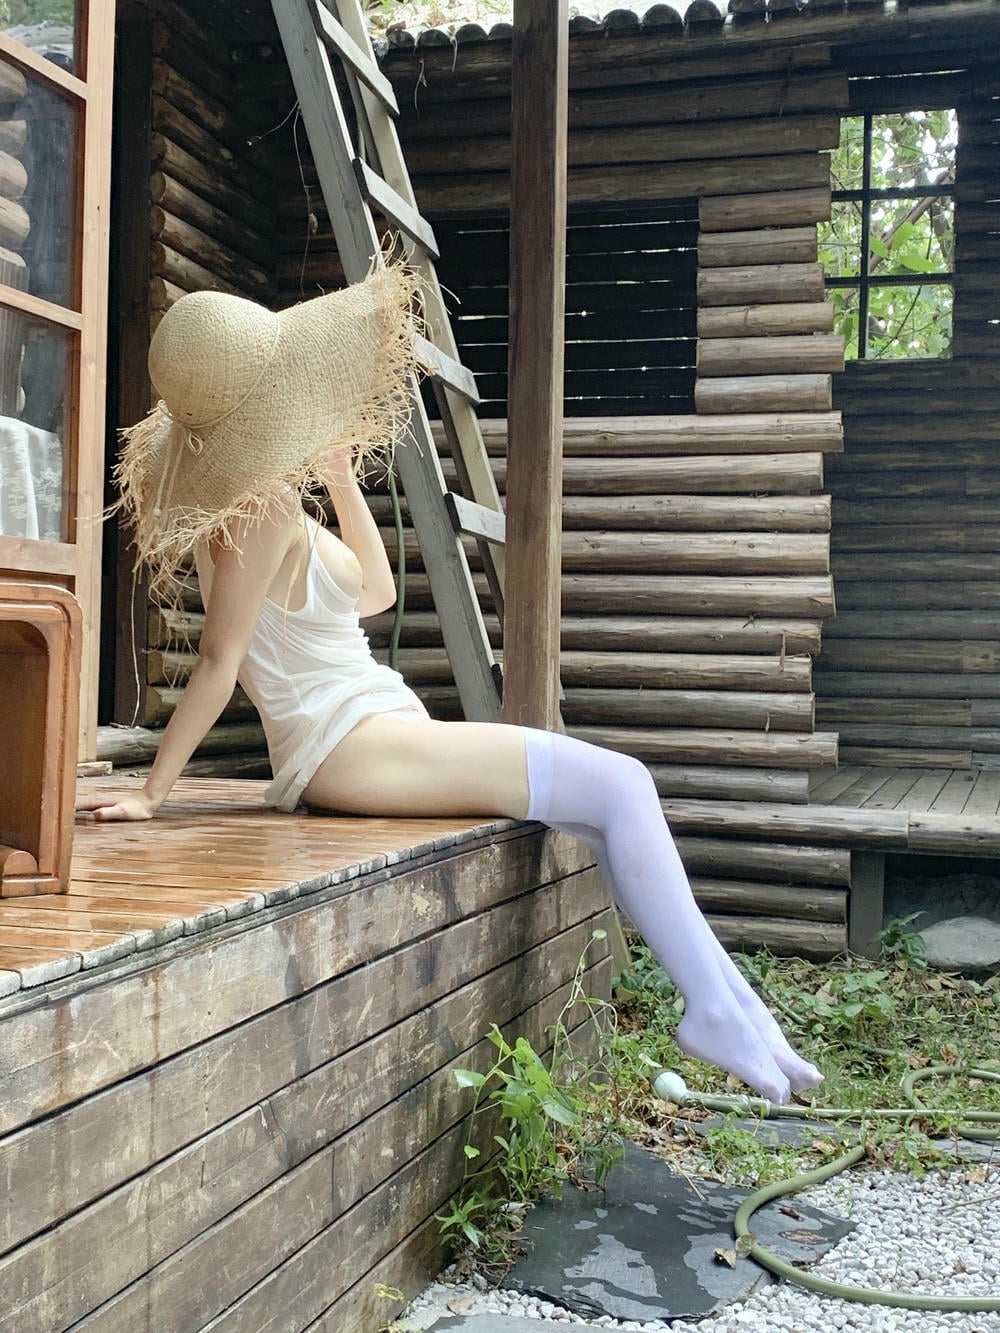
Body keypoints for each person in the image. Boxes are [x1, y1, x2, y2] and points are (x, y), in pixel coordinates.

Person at [77, 266, 822, 1107]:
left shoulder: (272, 505)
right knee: (623, 785)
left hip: (368, 725)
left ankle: (736, 1008)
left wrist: (340, 475)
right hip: (342, 743)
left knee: (601, 807)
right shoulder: (256, 515)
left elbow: (373, 593)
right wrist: (152, 792)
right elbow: (219, 661)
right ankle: (715, 1009)